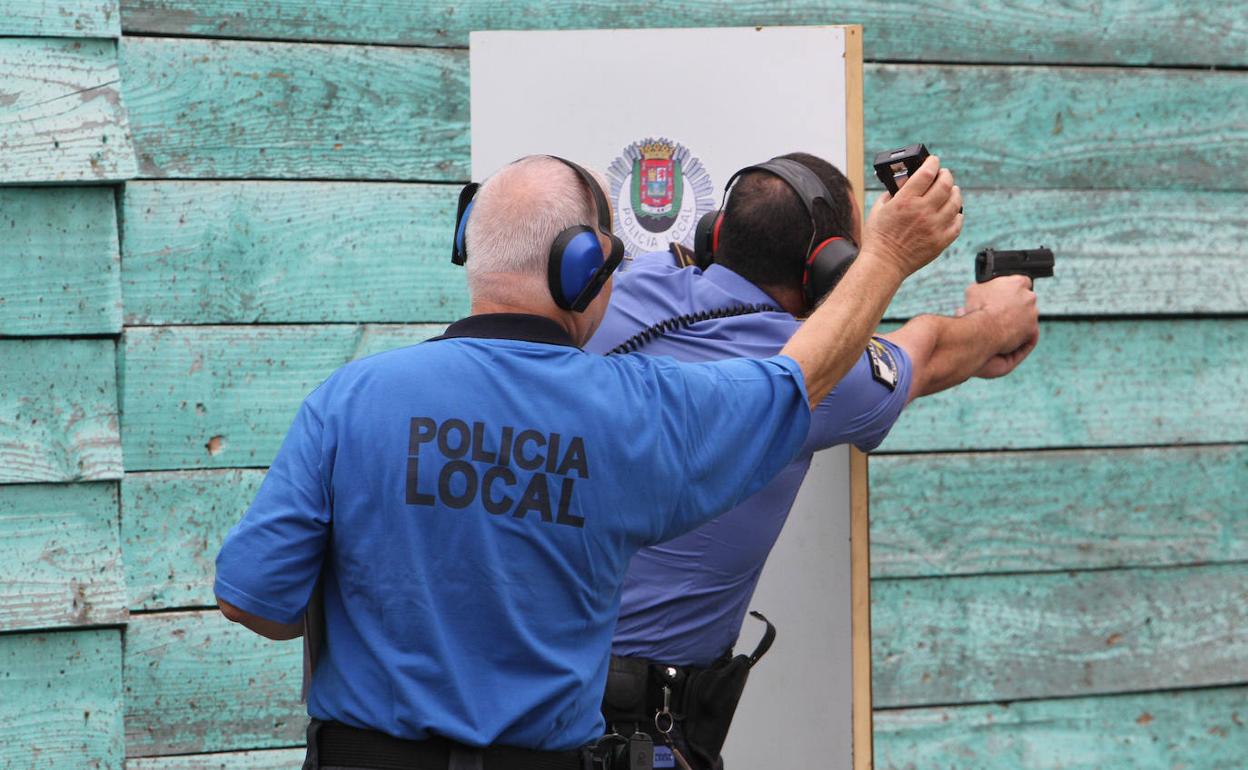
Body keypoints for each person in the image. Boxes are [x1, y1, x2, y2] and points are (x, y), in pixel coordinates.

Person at [213, 152, 968, 770]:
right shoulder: (632, 414)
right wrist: (890, 254)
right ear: (583, 269)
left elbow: (253, 601)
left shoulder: (349, 399)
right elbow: (798, 379)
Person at [586, 152, 1039, 770]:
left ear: (715, 232)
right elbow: (927, 352)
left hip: (538, 698)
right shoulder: (811, 376)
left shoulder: (619, 292)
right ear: (833, 268)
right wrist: (994, 320)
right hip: (640, 736)